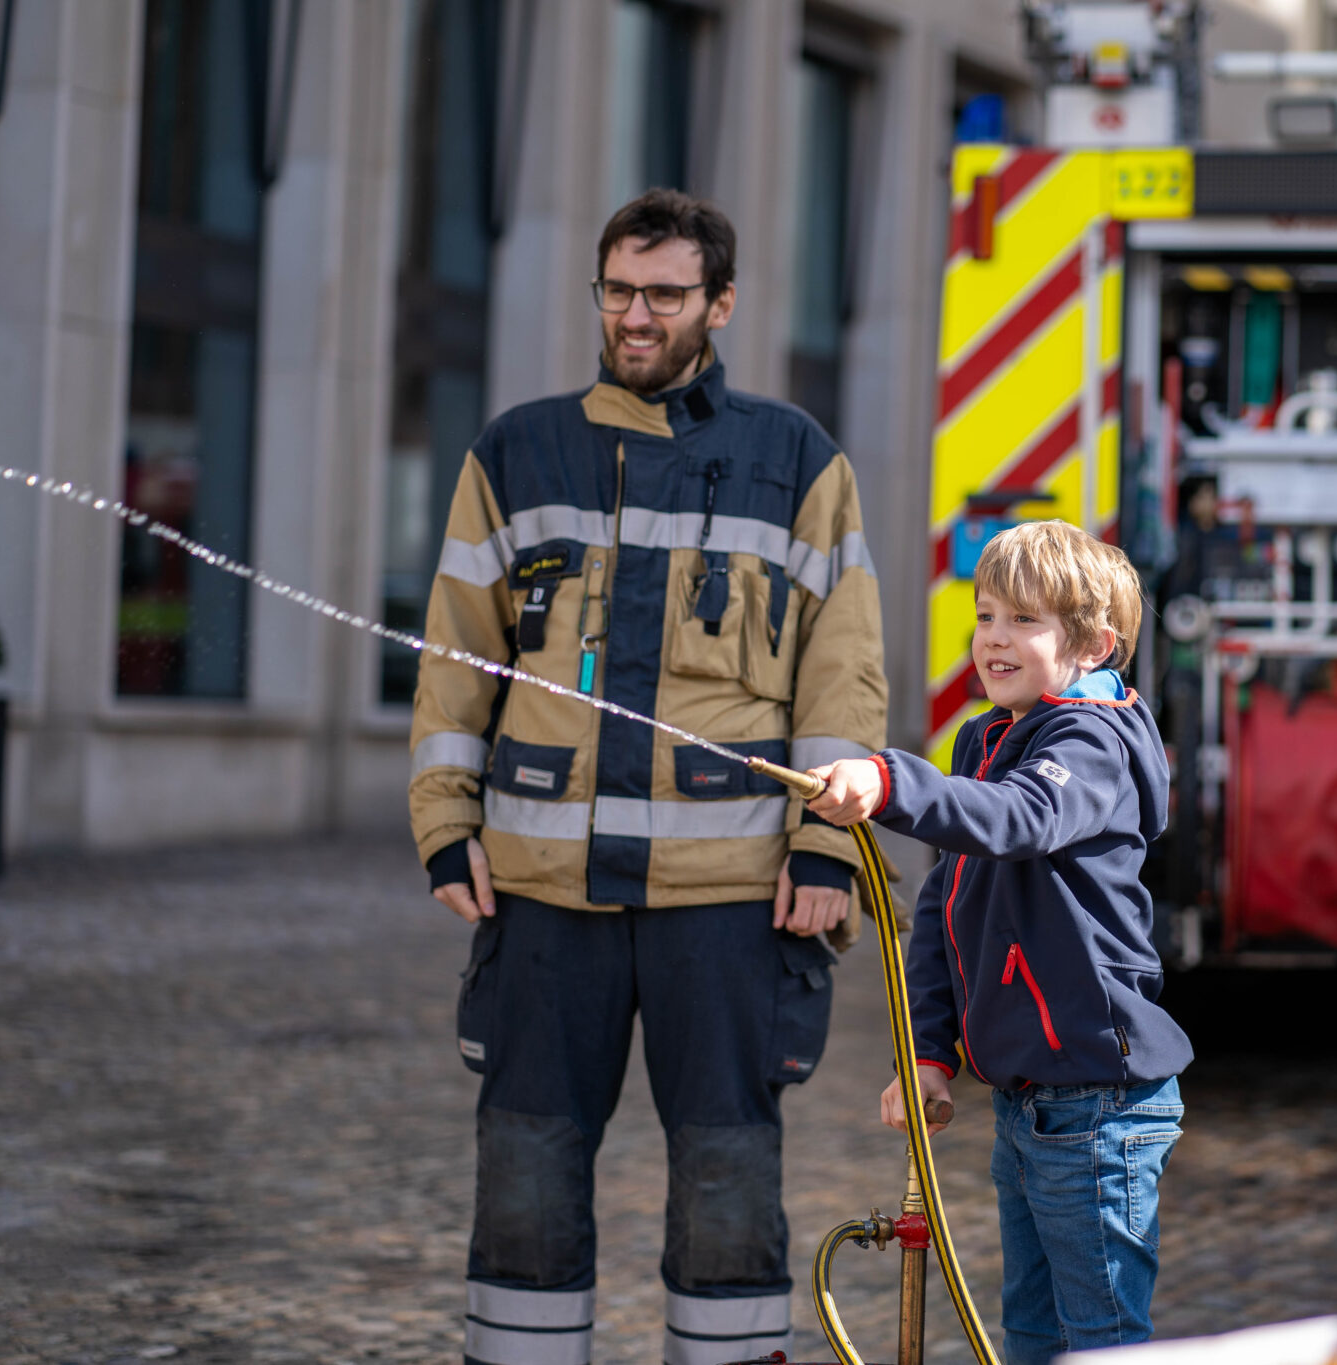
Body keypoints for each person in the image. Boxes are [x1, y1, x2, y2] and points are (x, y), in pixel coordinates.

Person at [408, 189, 888, 1365]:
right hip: (539, 893)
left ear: (717, 304)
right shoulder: (515, 450)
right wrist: (442, 819)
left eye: (664, 293)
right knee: (522, 1174)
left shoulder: (795, 460)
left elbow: (843, 677)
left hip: (725, 900)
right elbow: (456, 655)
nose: (635, 314)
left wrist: (825, 847)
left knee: (726, 1184)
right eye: (618, 289)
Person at [804, 520, 1194, 1365]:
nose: (995, 639)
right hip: (1026, 1104)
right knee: (1031, 1332)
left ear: (1095, 644)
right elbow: (948, 905)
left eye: (1025, 620)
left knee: (1102, 1342)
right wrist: (932, 1052)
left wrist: (889, 778)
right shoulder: (984, 738)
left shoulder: (1091, 743)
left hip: (1099, 1107)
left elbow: (1022, 818)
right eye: (986, 616)